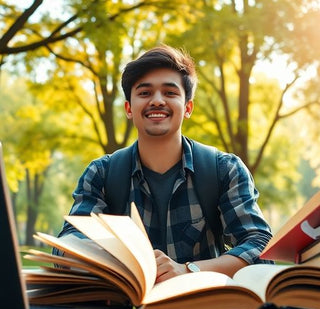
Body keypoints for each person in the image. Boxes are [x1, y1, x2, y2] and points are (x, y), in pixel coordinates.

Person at [54, 44, 273, 283]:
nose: (157, 101)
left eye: (170, 93)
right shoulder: (101, 173)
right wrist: (122, 261)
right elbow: (66, 247)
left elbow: (260, 247)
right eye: (145, 93)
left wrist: (187, 270)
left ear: (188, 107)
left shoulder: (225, 170)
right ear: (129, 108)